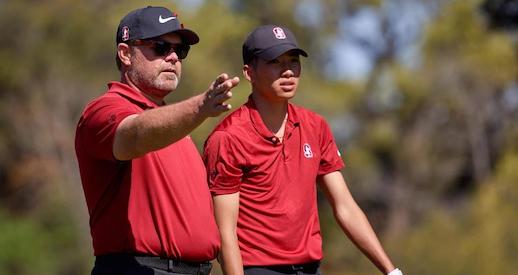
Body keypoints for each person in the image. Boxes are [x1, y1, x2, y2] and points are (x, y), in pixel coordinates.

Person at [203, 25, 402, 275]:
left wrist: (391, 271)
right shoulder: (228, 137)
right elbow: (226, 233)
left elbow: (345, 207)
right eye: (275, 62)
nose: (288, 71)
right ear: (249, 72)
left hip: (310, 269)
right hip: (259, 270)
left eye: (293, 61)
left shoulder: (315, 126)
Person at [75, 6, 239, 275]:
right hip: (138, 268)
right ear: (126, 54)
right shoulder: (103, 110)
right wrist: (200, 107)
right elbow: (135, 135)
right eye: (161, 47)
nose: (173, 57)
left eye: (181, 50)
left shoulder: (175, 125)